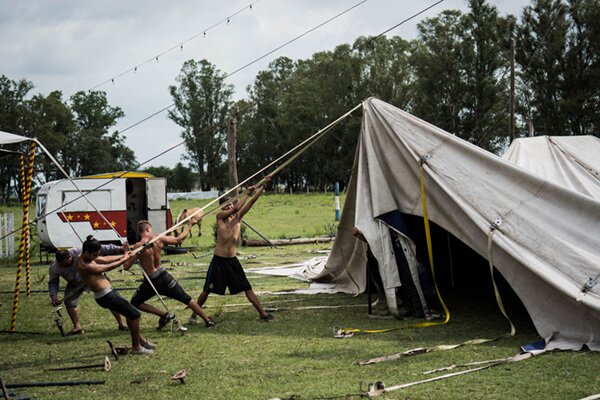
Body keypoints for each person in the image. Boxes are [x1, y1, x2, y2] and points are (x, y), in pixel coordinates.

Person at [190, 176, 275, 323]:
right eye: (226, 206)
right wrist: (246, 193)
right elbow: (236, 207)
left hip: (232, 261)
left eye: (229, 205)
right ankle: (194, 314)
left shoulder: (238, 218)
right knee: (207, 290)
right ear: (222, 207)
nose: (229, 207)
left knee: (247, 287)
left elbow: (252, 202)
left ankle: (262, 313)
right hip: (218, 261)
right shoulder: (220, 217)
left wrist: (263, 186)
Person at [130, 217, 215, 329]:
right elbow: (178, 240)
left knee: (135, 302)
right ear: (147, 230)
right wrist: (190, 225)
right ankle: (207, 320)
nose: (153, 232)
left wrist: (129, 253)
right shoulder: (158, 239)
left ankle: (163, 315)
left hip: (152, 280)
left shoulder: (138, 246)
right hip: (163, 277)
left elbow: (126, 266)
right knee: (186, 299)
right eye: (151, 229)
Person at [77, 235, 155, 355]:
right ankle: (136, 347)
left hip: (107, 294)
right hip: (106, 296)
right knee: (135, 315)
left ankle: (142, 342)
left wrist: (128, 254)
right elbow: (108, 266)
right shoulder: (86, 265)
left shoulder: (86, 257)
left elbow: (105, 259)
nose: (96, 257)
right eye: (94, 255)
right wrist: (124, 258)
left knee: (130, 314)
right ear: (87, 252)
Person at [48, 244, 128, 335]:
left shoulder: (78, 251)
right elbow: (53, 282)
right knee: (69, 302)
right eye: (62, 265)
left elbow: (99, 248)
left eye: (66, 263)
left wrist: (118, 249)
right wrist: (53, 296)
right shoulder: (54, 267)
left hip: (92, 277)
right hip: (75, 283)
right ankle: (77, 327)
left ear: (70, 257)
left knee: (110, 299)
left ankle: (121, 324)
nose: (64, 266)